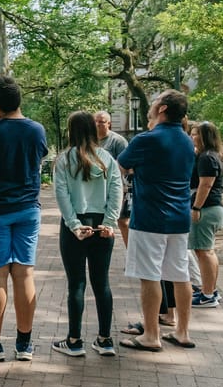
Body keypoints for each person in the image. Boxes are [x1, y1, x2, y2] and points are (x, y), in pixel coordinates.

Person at [0, 77, 48, 362]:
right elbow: (35, 165)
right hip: (27, 209)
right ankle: (24, 344)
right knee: (24, 273)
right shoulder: (37, 131)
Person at [117, 90, 197, 351]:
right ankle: (182, 332)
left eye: (154, 102)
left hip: (151, 216)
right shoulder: (187, 141)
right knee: (180, 275)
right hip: (179, 218)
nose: (150, 106)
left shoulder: (147, 139)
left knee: (149, 276)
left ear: (162, 108)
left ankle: (151, 335)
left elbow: (123, 163)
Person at [52, 112, 123, 357]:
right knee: (102, 282)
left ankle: (74, 340)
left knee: (77, 283)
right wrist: (110, 222)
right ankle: (105, 339)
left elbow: (61, 194)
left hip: (76, 226)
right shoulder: (107, 158)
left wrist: (73, 224)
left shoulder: (63, 160)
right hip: (102, 225)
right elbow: (117, 191)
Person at [189, 121, 223, 308]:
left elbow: (206, 184)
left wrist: (196, 208)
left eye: (195, 133)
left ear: (206, 137)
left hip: (207, 209)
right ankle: (210, 290)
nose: (191, 136)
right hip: (210, 209)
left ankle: (207, 294)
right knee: (206, 251)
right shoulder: (208, 156)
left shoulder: (207, 158)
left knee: (204, 252)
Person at [95, 111, 131, 246]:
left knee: (123, 222)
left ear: (109, 124)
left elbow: (127, 165)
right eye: (96, 121)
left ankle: (131, 258)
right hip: (97, 188)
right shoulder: (90, 140)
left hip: (117, 187)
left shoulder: (118, 141)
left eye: (102, 121)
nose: (98, 124)